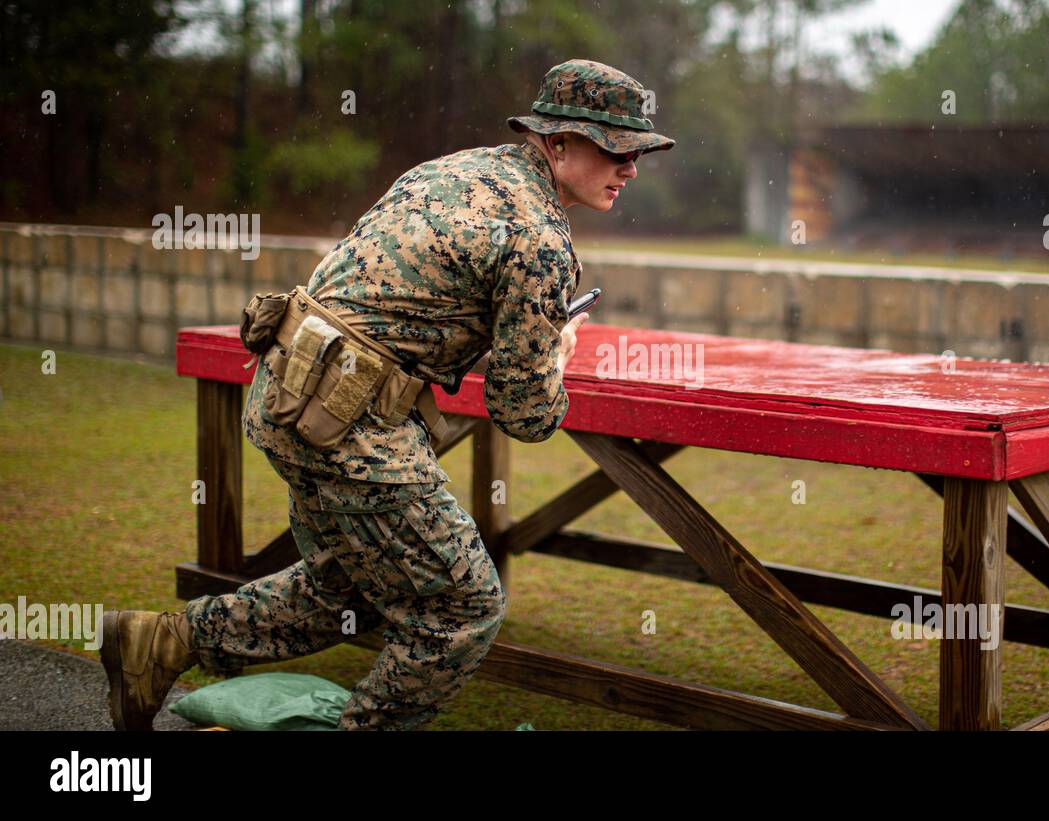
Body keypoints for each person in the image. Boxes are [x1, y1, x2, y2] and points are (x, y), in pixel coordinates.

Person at [100, 59, 674, 731]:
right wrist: (554, 352)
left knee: (346, 585)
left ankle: (160, 642)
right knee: (463, 606)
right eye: (616, 148)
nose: (630, 167)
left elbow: (405, 297)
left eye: (637, 151)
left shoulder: (454, 170)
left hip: (285, 392)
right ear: (558, 143)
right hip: (350, 421)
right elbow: (524, 413)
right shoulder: (541, 241)